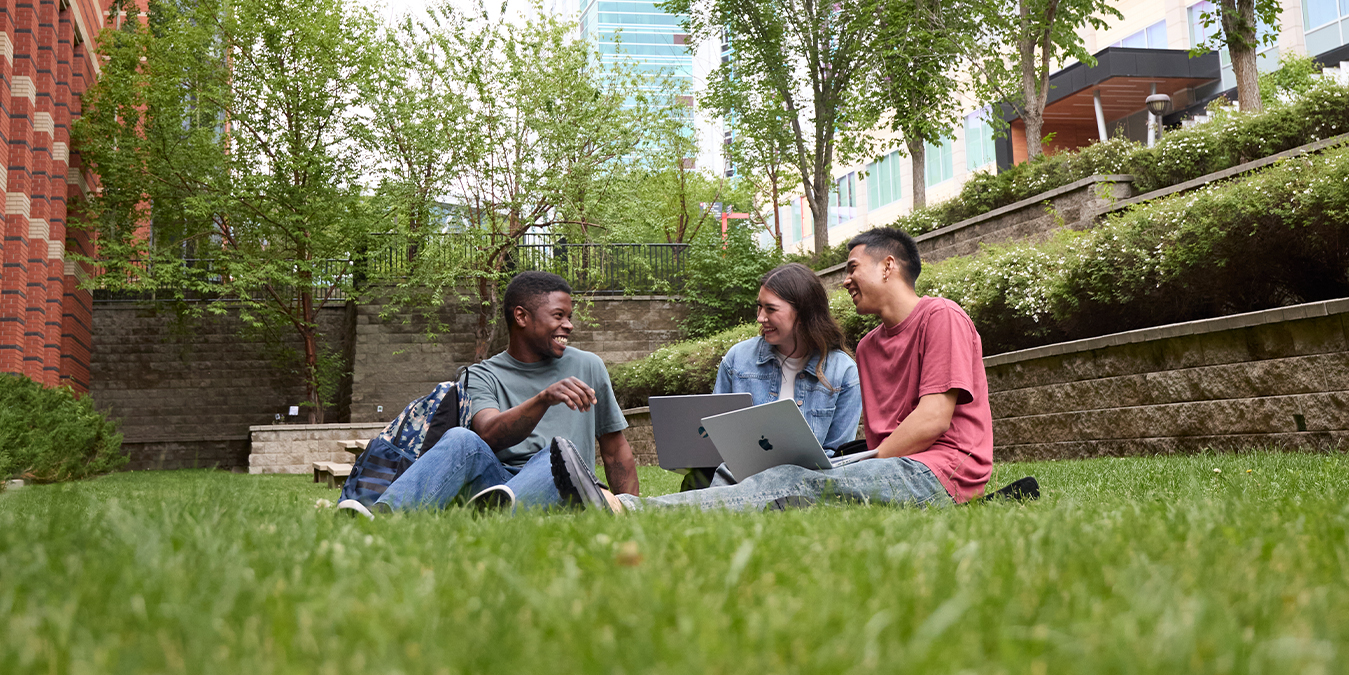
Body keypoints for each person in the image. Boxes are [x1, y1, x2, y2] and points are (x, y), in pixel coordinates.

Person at [551, 227, 992, 513]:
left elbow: (933, 418)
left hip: (938, 472)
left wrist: (850, 468)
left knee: (789, 480)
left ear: (889, 266)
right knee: (753, 479)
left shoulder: (941, 317)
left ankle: (624, 509)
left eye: (853, 267)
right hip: (885, 465)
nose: (845, 278)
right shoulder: (871, 346)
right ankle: (633, 506)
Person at [338, 271, 639, 517]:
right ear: (521, 317)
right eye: (559, 315)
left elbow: (614, 449)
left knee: (556, 454)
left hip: (563, 485)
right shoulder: (482, 374)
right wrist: (544, 398)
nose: (569, 325)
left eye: (569, 316)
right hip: (493, 484)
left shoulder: (588, 366)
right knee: (460, 438)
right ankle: (384, 517)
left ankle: (500, 514)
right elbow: (488, 434)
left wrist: (629, 506)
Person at [689, 262, 861, 489]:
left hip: (806, 483)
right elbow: (716, 435)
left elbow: (836, 456)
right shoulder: (738, 359)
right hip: (736, 476)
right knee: (695, 481)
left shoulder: (843, 372)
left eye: (770, 309)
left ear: (803, 313)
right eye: (759, 307)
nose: (760, 318)